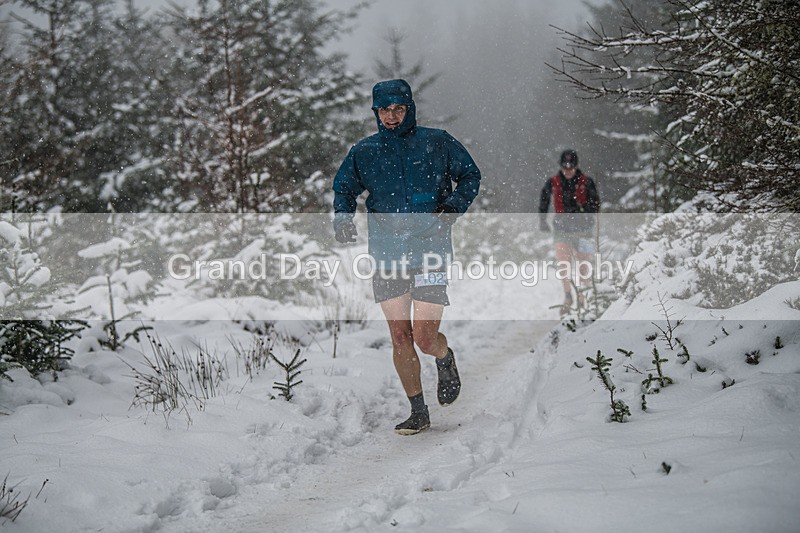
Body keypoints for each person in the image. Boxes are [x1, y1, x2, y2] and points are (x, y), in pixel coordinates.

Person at [332, 79, 481, 435]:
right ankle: (418, 411)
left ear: (409, 108)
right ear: (376, 112)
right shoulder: (365, 151)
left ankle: (444, 356)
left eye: (398, 109)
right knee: (400, 336)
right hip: (387, 254)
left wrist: (452, 208)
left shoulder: (437, 142)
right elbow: (344, 188)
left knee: (424, 337)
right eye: (384, 110)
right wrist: (343, 218)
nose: (391, 116)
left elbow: (470, 176)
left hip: (430, 251)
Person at [539, 149, 601, 316]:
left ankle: (583, 294)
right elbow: (544, 200)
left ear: (576, 166)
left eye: (571, 167)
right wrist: (542, 220)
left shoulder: (587, 182)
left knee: (584, 263)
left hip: (584, 230)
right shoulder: (553, 182)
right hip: (562, 229)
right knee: (563, 262)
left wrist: (583, 211)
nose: (567, 171)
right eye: (565, 167)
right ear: (560, 166)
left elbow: (595, 204)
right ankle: (568, 295)